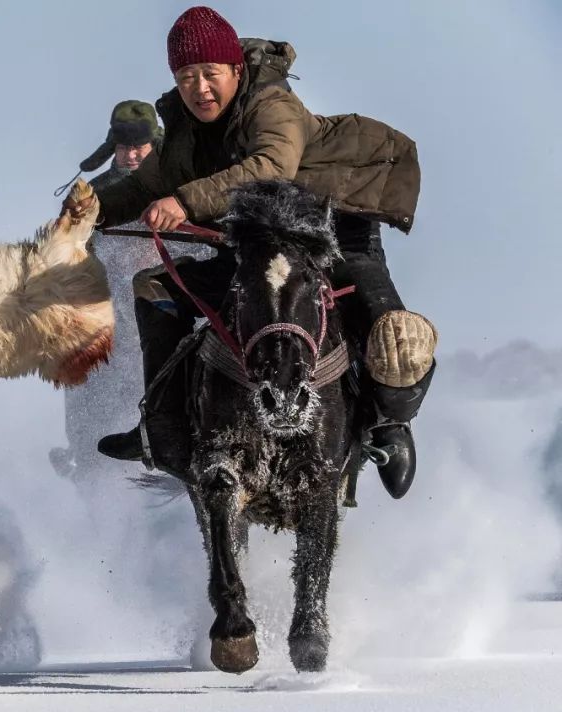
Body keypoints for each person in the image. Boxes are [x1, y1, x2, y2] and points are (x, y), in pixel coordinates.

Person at [92, 7, 437, 499]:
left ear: (235, 69)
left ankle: (388, 425)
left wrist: (186, 201)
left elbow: (272, 165)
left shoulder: (271, 103)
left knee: (396, 338)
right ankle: (163, 425)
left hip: (331, 234)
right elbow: (147, 185)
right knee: (153, 287)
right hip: (259, 248)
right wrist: (91, 208)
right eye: (186, 76)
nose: (199, 88)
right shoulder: (183, 125)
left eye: (209, 74)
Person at [49, 100, 168, 481]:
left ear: (154, 144)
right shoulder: (92, 194)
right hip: (106, 312)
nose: (131, 156)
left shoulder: (175, 184)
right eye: (123, 148)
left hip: (164, 302)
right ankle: (85, 456)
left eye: (140, 148)